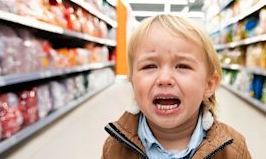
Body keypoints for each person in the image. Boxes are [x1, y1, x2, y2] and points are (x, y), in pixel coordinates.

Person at [102, 14, 251, 159]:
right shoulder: (115, 147)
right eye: (149, 66)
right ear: (133, 82)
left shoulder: (233, 150)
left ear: (209, 84)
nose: (165, 79)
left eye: (182, 66)